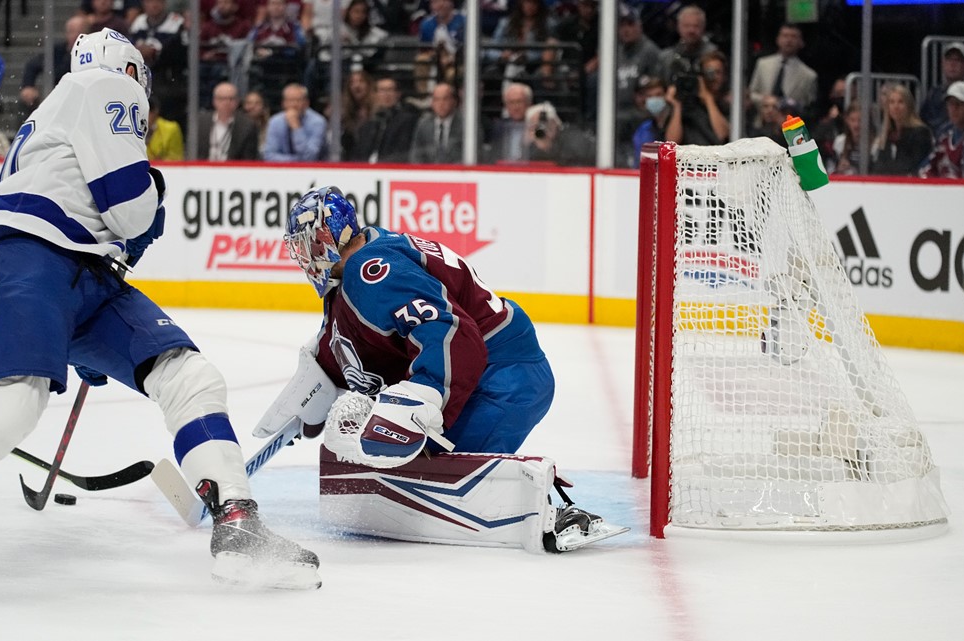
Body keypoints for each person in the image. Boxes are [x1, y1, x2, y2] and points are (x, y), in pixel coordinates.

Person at [0, 28, 319, 593]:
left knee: (188, 375)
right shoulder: (104, 85)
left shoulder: (64, 104)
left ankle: (238, 521)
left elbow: (105, 217)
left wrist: (88, 322)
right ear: (129, 69)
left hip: (84, 274)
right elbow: (127, 209)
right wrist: (150, 205)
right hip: (35, 258)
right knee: (14, 402)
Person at [254, 186, 625, 553]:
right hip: (484, 370)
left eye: (304, 244)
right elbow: (356, 335)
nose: (301, 256)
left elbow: (452, 334)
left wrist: (424, 396)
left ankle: (552, 509)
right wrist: (320, 379)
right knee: (393, 463)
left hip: (503, 377)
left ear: (326, 237)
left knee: (419, 472)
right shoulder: (361, 267)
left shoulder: (370, 272)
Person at [129, 0, 189, 129]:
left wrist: (155, 51)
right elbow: (131, 44)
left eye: (158, 1)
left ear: (164, 3)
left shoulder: (176, 22)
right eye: (150, 2)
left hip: (168, 76)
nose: (154, 5)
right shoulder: (139, 21)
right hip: (142, 74)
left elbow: (178, 51)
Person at [18, 15, 91, 119]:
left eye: (79, 32)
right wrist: (28, 85)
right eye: (71, 31)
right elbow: (32, 65)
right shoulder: (57, 51)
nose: (75, 35)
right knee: (25, 100)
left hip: (81, 96)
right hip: (56, 94)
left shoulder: (92, 52)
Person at [614, 3, 660, 160]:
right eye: (622, 25)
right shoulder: (615, 50)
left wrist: (645, 95)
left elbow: (657, 87)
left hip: (641, 114)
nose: (626, 29)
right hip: (619, 111)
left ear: (639, 25)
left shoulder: (650, 51)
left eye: (630, 24)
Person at [747, 24, 818, 127]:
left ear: (801, 42)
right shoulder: (762, 64)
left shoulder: (808, 75)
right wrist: (766, 100)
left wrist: (783, 104)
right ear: (778, 39)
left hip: (791, 127)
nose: (788, 40)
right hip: (760, 125)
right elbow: (751, 93)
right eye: (785, 36)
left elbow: (808, 107)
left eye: (793, 36)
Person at [352, 74, 420, 164]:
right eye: (382, 90)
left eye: (390, 90)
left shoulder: (407, 121)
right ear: (376, 94)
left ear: (398, 94)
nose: (386, 94)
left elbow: (401, 152)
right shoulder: (368, 125)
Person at [871, 83, 932, 176]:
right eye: (892, 102)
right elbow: (879, 165)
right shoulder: (888, 134)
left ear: (909, 106)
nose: (896, 106)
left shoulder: (920, 133)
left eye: (900, 102)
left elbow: (912, 165)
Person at [195, 80, 259, 160]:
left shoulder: (247, 126)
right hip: (203, 169)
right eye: (222, 99)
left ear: (237, 102)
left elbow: (249, 159)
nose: (227, 102)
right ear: (214, 101)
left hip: (233, 170)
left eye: (231, 99)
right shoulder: (201, 122)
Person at [262, 82, 327, 161]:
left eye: (298, 100)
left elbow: (310, 158)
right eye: (290, 100)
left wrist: (296, 128)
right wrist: (297, 160)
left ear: (306, 103)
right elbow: (269, 156)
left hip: (313, 171)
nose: (294, 105)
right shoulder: (275, 121)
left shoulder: (318, 122)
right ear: (283, 103)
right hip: (281, 170)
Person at [919, 42, 964, 134]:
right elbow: (922, 122)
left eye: (957, 60)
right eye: (949, 59)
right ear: (943, 64)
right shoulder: (934, 94)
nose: (952, 64)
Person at [522, 101, 594, 167]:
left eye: (544, 124)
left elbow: (568, 164)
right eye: (535, 126)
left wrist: (548, 147)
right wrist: (526, 144)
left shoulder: (574, 139)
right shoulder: (533, 144)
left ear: (555, 122)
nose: (541, 129)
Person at [486, 81, 532, 162]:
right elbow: (493, 158)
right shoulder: (498, 128)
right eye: (511, 102)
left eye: (519, 102)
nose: (515, 107)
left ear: (528, 103)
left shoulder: (537, 126)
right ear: (506, 106)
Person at [145, 96, 184, 160]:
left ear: (156, 111)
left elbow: (176, 158)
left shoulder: (171, 129)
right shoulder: (131, 130)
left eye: (149, 112)